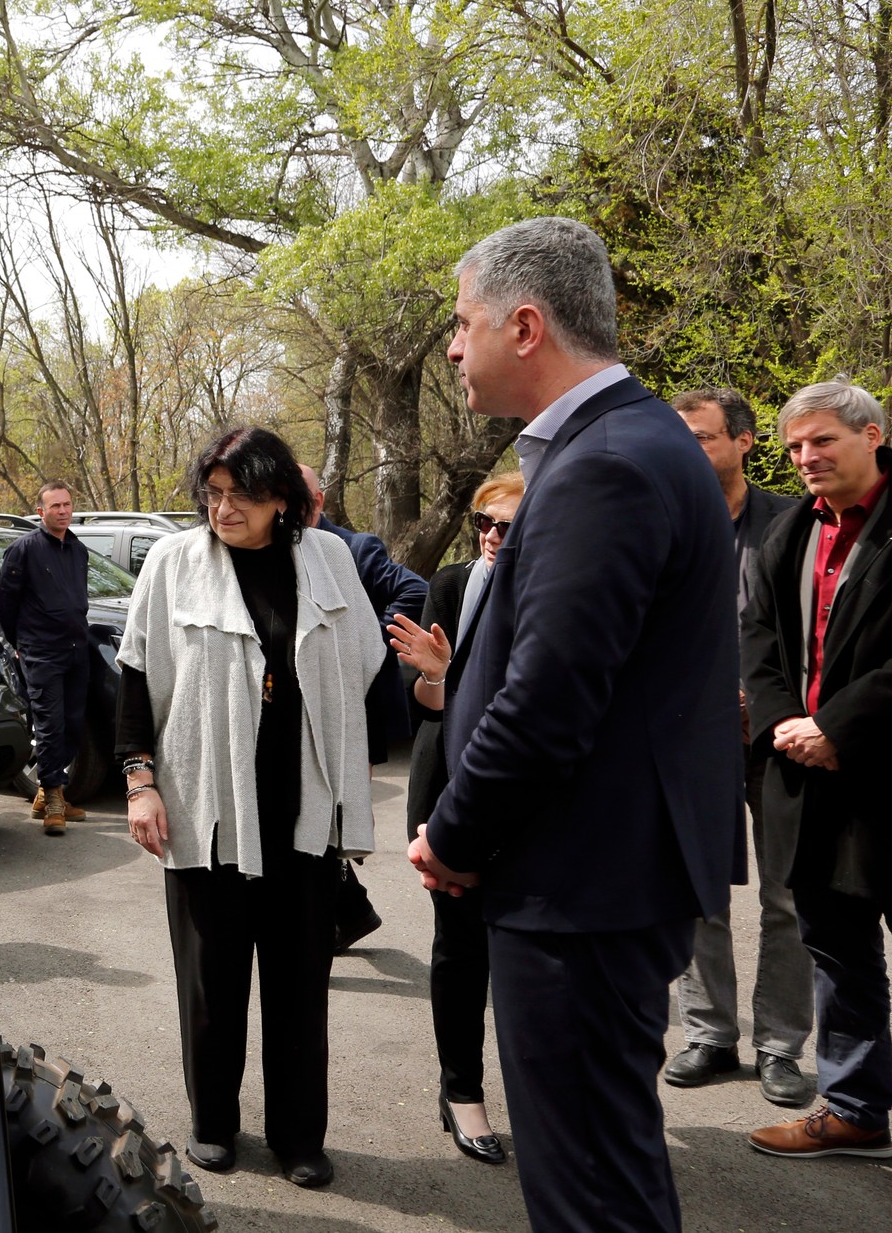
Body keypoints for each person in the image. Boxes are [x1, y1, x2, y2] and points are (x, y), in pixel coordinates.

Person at [408, 216, 738, 1232]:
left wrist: (453, 837)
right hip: (596, 881)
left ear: (523, 326)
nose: (451, 349)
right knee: (603, 1172)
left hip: (582, 891)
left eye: (460, 324)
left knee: (589, 1191)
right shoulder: (624, 444)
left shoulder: (608, 463)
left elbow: (548, 701)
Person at [118, 426, 385, 1190]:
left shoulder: (327, 558)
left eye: (242, 495)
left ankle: (299, 1136)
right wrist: (140, 782)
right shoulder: (174, 562)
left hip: (303, 814)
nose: (223, 509)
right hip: (205, 809)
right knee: (213, 982)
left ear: (282, 500)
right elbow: (135, 676)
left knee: (300, 988)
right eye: (213, 494)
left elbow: (362, 663)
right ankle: (213, 1123)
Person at [742, 381, 892, 1160]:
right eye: (795, 446)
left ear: (872, 435)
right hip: (807, 778)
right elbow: (758, 635)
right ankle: (858, 1110)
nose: (805, 458)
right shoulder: (792, 529)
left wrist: (839, 726)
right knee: (838, 950)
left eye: (822, 440)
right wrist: (784, 725)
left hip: (880, 764)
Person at [663, 387, 814, 1106]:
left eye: (700, 437)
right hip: (690, 737)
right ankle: (710, 1035)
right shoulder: (661, 523)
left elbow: (817, 630)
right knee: (698, 891)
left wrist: (770, 699)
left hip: (780, 737)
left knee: (789, 894)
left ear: (744, 442)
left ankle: (780, 1046)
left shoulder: (792, 522)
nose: (686, 451)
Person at [387, 470, 523, 1166]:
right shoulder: (452, 584)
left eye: (508, 525)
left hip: (531, 793)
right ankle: (462, 1090)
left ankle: (543, 1098)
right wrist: (439, 675)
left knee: (528, 953)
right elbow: (426, 706)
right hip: (451, 783)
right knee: (463, 945)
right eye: (484, 523)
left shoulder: (557, 587)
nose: (493, 536)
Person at [298, 462, 428, 953]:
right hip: (304, 708)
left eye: (301, 497)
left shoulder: (354, 548)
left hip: (355, 708)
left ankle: (344, 912)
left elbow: (415, 589)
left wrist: (363, 636)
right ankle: (347, 911)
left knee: (334, 812)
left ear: (319, 501)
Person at [0, 480, 90, 835]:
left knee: (73, 724)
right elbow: (4, 601)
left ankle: (45, 793)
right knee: (50, 726)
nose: (62, 511)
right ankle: (53, 800)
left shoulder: (78, 550)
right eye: (55, 506)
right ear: (40, 512)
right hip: (41, 652)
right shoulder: (24, 549)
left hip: (76, 650)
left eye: (67, 505)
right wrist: (19, 642)